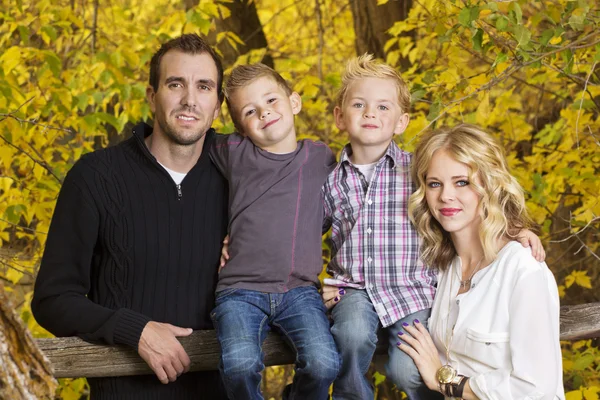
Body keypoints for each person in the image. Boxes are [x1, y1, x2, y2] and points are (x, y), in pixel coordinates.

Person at [320, 55, 545, 400]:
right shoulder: (329, 181)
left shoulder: (418, 171)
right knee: (350, 336)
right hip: (355, 291)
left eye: (383, 106)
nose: (370, 113)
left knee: (406, 370)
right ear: (339, 116)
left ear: (401, 121)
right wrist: (309, 287)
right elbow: (300, 235)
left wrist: (514, 230)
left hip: (412, 290)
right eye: (359, 104)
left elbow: (468, 201)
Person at [31, 34, 229, 399]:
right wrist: (132, 329)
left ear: (218, 105)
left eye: (204, 87)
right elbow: (52, 300)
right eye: (175, 84)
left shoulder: (239, 180)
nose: (189, 99)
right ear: (152, 96)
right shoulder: (96, 177)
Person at [397, 124, 564, 399]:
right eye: (434, 183)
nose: (445, 196)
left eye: (461, 182)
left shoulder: (523, 269)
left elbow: (535, 388)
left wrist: (446, 381)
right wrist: (342, 287)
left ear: (489, 185)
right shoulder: (442, 267)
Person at [209, 63, 340, 400]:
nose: (265, 113)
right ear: (241, 128)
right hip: (240, 291)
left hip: (300, 291)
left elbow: (337, 213)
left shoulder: (320, 157)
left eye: (271, 101)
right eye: (251, 111)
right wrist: (220, 233)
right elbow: (185, 139)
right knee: (239, 365)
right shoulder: (235, 152)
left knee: (324, 363)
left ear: (294, 102)